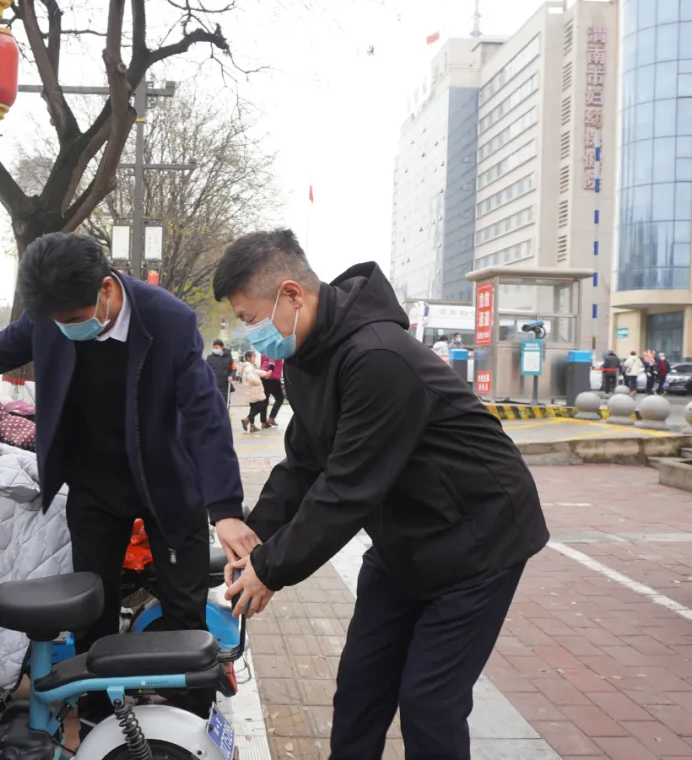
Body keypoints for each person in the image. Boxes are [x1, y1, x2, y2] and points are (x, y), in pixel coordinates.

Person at [0, 233, 259, 729]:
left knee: (183, 610)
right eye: (56, 323)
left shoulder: (169, 321)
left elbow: (206, 416)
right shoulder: (48, 319)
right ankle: (100, 716)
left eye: (75, 321)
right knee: (92, 611)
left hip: (169, 483)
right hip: (94, 485)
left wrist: (226, 508)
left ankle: (189, 721)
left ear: (107, 289)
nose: (65, 330)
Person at [212, 229, 549, 760]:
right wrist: (257, 538)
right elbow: (304, 461)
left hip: (477, 540)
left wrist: (272, 568)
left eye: (251, 317)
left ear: (293, 294)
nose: (249, 332)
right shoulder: (308, 357)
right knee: (361, 690)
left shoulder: (377, 357)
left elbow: (348, 487)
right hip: (405, 542)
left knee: (429, 703)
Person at [238, 351, 269, 432]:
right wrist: (258, 382)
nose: (255, 358)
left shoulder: (249, 366)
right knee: (261, 406)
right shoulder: (248, 367)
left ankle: (252, 425)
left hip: (251, 391)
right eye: (253, 357)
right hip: (253, 390)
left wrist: (265, 373)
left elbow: (255, 372)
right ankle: (246, 419)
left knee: (253, 408)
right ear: (248, 358)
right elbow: (251, 377)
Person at [206, 339, 235, 405]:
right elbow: (206, 370)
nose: (215, 349)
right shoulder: (209, 358)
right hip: (213, 385)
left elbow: (233, 369)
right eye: (214, 347)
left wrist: (231, 376)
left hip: (225, 385)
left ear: (222, 347)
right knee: (213, 404)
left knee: (225, 403)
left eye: (217, 347)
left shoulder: (229, 357)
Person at [259, 355, 285, 427]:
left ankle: (263, 422)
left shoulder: (264, 351)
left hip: (264, 376)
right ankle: (271, 417)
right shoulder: (274, 349)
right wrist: (271, 370)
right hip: (272, 377)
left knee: (265, 400)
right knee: (280, 398)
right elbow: (272, 359)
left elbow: (262, 363)